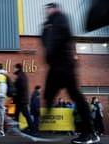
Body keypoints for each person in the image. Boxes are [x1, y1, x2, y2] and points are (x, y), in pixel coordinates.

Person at [41, 3, 100, 143]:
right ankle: (42, 129)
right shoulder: (48, 25)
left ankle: (91, 133)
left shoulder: (61, 18)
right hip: (55, 67)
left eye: (49, 9)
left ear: (55, 8)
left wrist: (49, 40)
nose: (46, 12)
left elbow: (57, 39)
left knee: (76, 96)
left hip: (65, 65)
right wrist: (45, 31)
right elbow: (46, 43)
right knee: (48, 95)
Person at [13, 63, 36, 134]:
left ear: (17, 68)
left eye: (14, 68)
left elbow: (20, 88)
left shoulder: (21, 76)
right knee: (17, 114)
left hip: (21, 100)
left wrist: (15, 90)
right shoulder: (22, 75)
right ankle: (17, 129)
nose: (13, 69)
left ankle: (33, 129)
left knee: (25, 114)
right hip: (21, 99)